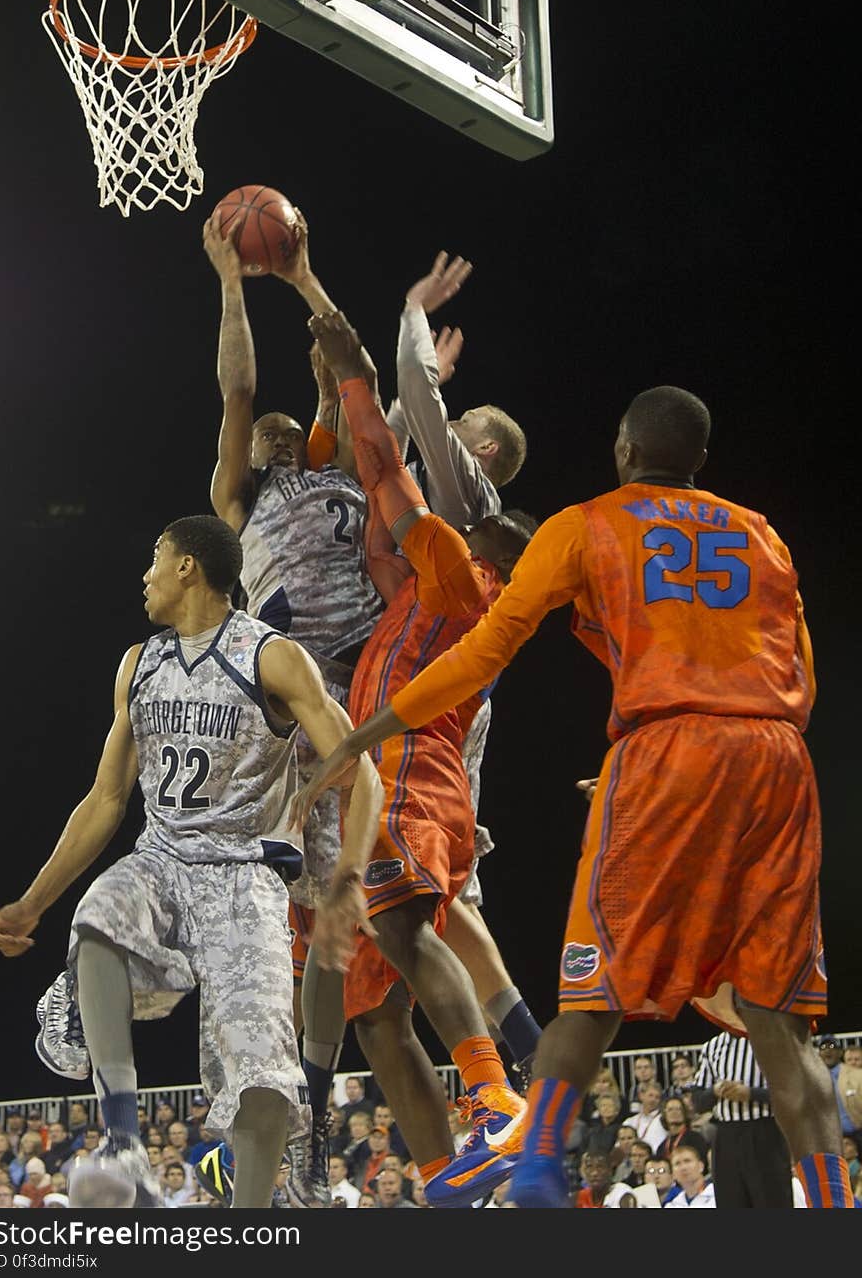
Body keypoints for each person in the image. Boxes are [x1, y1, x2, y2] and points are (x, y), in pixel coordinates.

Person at [299, 383, 851, 1209]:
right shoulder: (763, 535)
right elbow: (800, 668)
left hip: (661, 750)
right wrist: (729, 744)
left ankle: (538, 1166)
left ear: (626, 451)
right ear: (699, 460)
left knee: (594, 997)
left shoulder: (587, 522)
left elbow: (485, 652)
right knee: (781, 1021)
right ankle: (837, 1206)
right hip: (777, 758)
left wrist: (363, 732)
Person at [0, 515, 382, 1209]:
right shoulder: (140, 664)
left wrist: (347, 876)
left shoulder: (272, 657)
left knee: (262, 1079)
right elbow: (107, 798)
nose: (144, 574)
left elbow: (363, 772)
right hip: (163, 859)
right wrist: (33, 901)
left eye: (154, 558)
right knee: (100, 915)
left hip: (245, 875)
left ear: (186, 568)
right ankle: (122, 1142)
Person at [295, 310, 534, 1209]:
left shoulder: (463, 578)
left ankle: (496, 1092)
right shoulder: (424, 593)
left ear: (494, 553)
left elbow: (388, 477)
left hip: (412, 773)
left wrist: (363, 380)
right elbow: (371, 527)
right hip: (395, 780)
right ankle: (449, 1178)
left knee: (401, 928)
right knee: (375, 1014)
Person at [203, 215, 385, 1207]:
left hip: (368, 693)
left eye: (290, 420)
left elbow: (339, 369)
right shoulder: (240, 500)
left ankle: (314, 1098)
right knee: (271, 923)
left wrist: (307, 281)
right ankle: (271, 1108)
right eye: (265, 427)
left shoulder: (345, 470)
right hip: (283, 711)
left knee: (344, 925)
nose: (274, 424)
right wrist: (234, 283)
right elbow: (237, 391)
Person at [387, 253, 539, 1086]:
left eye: (459, 415)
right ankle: (523, 1062)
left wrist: (414, 311)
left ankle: (494, 1081)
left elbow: (412, 400)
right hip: (448, 705)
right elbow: (398, 432)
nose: (447, 421)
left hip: (428, 710)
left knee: (408, 904)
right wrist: (425, 393)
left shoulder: (467, 500)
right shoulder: (466, 516)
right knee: (452, 905)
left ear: (476, 449)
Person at [693, 1029, 794, 1207]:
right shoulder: (712, 1046)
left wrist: (750, 1093)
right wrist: (715, 1091)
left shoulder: (771, 1040)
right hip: (726, 1136)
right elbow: (698, 1102)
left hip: (764, 1132)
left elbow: (790, 1093)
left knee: (773, 1202)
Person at [665, 1143, 717, 1208]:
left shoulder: (717, 1195)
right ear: (673, 1174)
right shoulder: (672, 1205)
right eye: (677, 1163)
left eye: (687, 1161)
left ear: (701, 1166)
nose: (683, 1167)